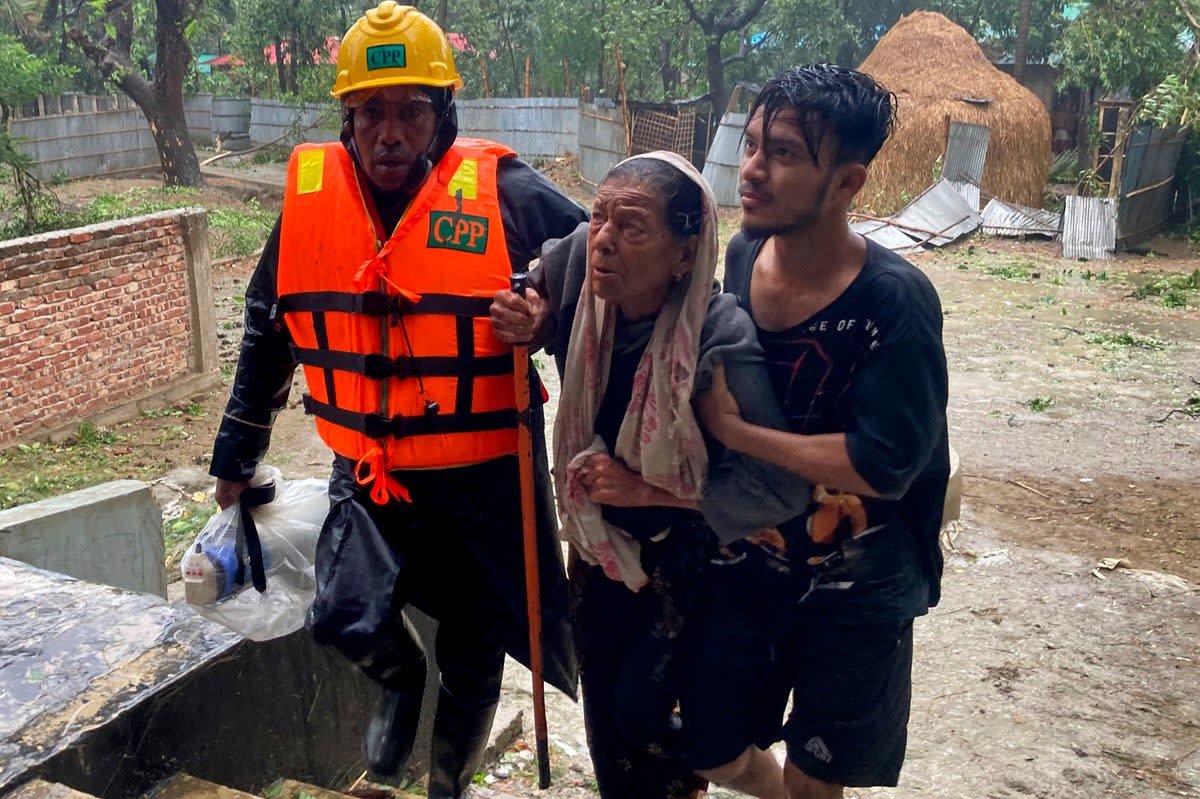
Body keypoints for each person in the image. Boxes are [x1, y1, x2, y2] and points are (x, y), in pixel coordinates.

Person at [207, 4, 587, 797]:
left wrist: (546, 312)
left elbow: (605, 273)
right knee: (344, 614)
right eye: (370, 112)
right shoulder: (312, 202)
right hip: (372, 470)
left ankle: (449, 780)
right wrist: (236, 458)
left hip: (482, 482)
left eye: (410, 111)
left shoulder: (508, 192)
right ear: (346, 116)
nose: (389, 133)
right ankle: (398, 680)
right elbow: (268, 327)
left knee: (476, 650)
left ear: (442, 114)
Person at [491, 152, 810, 799]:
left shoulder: (723, 341)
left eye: (632, 227)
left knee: (647, 712)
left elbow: (779, 488)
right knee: (606, 713)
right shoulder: (585, 263)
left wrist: (647, 489)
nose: (605, 237)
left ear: (684, 255)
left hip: (690, 555)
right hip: (599, 545)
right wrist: (533, 313)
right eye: (601, 215)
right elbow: (537, 286)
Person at [695, 64, 951, 798]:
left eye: (782, 153)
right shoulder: (742, 251)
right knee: (709, 746)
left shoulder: (895, 303)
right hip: (754, 563)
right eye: (751, 145)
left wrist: (738, 434)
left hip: (859, 579)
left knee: (817, 780)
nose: (752, 169)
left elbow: (885, 463)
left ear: (846, 184)